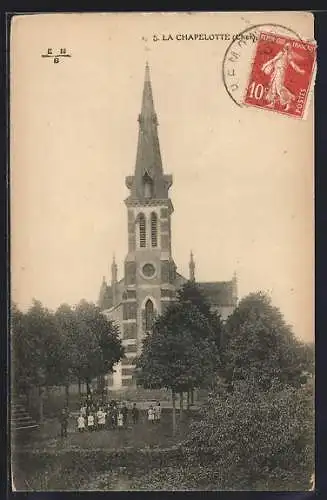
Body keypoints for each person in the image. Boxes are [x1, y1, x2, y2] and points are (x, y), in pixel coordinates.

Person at [261, 42, 306, 112]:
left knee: (279, 88)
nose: (286, 49)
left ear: (289, 49)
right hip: (276, 71)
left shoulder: (289, 56)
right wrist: (265, 65)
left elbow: (293, 65)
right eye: (286, 47)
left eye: (288, 48)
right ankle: (272, 103)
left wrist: (299, 70)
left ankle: (289, 103)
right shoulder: (281, 53)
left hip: (280, 72)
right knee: (273, 87)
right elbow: (273, 60)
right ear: (284, 48)